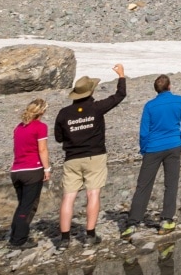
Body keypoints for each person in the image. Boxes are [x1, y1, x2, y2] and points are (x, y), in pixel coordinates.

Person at [54, 64, 127, 250]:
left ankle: (64, 239)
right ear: (90, 92)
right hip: (95, 156)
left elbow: (58, 137)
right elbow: (119, 96)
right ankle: (90, 235)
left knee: (68, 197)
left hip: (72, 158)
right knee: (93, 193)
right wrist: (121, 76)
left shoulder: (64, 114)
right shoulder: (96, 108)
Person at [124, 74, 181, 238]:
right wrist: (180, 142)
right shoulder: (180, 101)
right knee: (171, 183)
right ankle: (167, 220)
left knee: (143, 185)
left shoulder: (150, 106)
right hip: (173, 145)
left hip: (153, 147)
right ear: (170, 86)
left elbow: (144, 132)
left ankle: (133, 223)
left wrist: (144, 148)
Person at [10, 98, 51, 248]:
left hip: (16, 170)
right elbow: (42, 149)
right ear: (42, 111)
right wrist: (47, 169)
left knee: (22, 205)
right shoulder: (40, 127)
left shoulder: (19, 128)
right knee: (28, 207)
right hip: (32, 170)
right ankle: (19, 240)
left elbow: (17, 149)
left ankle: (14, 235)